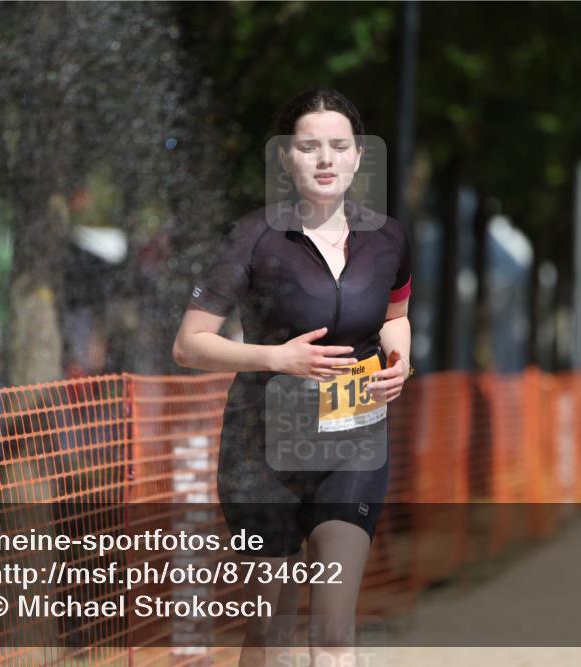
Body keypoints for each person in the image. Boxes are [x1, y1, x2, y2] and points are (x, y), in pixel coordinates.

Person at [173, 89, 412, 666]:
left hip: (354, 440)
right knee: (271, 633)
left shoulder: (388, 238)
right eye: (309, 147)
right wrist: (278, 359)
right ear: (286, 157)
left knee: (333, 633)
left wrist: (401, 360)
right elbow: (189, 345)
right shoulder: (252, 237)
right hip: (261, 451)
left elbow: (397, 316)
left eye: (338, 146)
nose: (325, 159)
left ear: (358, 157)